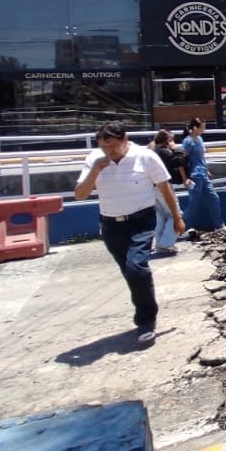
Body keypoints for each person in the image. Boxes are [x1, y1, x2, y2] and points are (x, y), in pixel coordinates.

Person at [74, 121, 184, 345]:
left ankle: (146, 320)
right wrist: (95, 169)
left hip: (141, 221)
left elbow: (165, 189)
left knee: (136, 268)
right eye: (104, 146)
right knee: (130, 272)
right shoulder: (95, 159)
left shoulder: (145, 157)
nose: (109, 151)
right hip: (111, 225)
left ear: (125, 140)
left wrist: (177, 217)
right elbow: (80, 194)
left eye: (113, 145)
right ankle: (145, 304)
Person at [149, 129, 188, 256]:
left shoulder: (151, 151)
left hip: (151, 188)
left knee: (161, 216)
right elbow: (179, 161)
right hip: (163, 186)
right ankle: (166, 243)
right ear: (168, 141)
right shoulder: (164, 152)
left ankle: (160, 244)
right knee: (175, 214)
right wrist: (175, 149)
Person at [181, 117, 223, 233]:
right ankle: (181, 228)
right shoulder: (188, 142)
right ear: (195, 128)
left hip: (202, 173)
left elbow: (202, 157)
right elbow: (182, 160)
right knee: (193, 203)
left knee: (213, 198)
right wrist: (185, 178)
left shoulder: (199, 139)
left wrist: (207, 170)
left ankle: (219, 225)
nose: (204, 130)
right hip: (195, 175)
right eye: (202, 127)